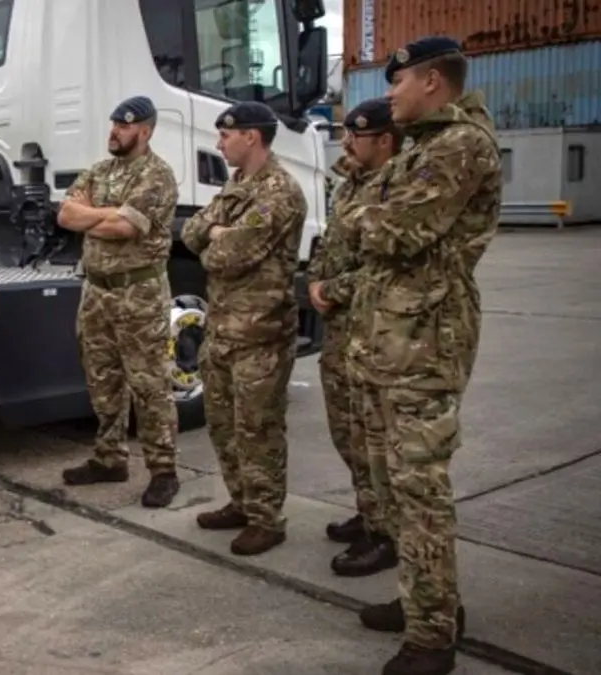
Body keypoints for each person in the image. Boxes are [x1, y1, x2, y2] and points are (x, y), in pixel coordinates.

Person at [343, 36, 501, 675]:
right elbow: (378, 221)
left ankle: (433, 638)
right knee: (397, 487)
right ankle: (427, 601)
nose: (389, 93)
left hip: (427, 340)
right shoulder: (426, 147)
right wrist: (369, 209)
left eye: (397, 81)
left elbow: (395, 230)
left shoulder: (461, 145)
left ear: (432, 80)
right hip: (395, 337)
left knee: (420, 489)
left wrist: (360, 210)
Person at [180, 101, 306, 556]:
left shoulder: (280, 191)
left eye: (225, 135)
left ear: (251, 136)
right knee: (223, 425)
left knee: (259, 429)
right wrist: (216, 234)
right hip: (223, 329)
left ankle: (267, 519)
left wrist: (217, 238)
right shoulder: (236, 186)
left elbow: (226, 255)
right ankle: (241, 501)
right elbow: (192, 232)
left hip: (261, 332)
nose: (218, 144)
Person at [57, 95, 182, 509]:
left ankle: (164, 470)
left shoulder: (158, 176)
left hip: (139, 295)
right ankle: (110, 458)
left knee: (150, 385)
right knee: (102, 379)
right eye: (112, 124)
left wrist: (97, 217)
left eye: (124, 126)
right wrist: (104, 215)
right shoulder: (99, 170)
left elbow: (124, 228)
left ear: (144, 131)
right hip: (96, 292)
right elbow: (65, 216)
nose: (114, 131)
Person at [308, 97, 404, 578]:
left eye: (356, 135)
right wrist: (316, 282)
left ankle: (385, 534)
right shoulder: (352, 185)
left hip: (373, 328)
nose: (345, 142)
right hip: (341, 328)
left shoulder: (395, 189)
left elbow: (380, 267)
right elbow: (332, 244)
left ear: (385, 140)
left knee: (373, 438)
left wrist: (332, 288)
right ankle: (370, 512)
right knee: (346, 431)